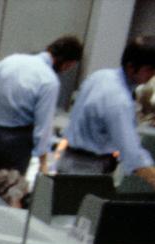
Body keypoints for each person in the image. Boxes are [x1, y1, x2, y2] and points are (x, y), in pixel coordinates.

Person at [0, 35, 83, 175]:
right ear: (67, 63)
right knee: (12, 189)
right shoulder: (49, 80)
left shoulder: (13, 60)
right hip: (19, 141)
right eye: (70, 66)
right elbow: (43, 127)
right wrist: (43, 163)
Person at [60, 41, 155, 189]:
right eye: (149, 69)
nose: (152, 75)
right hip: (88, 168)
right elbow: (132, 154)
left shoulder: (101, 76)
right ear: (131, 67)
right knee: (81, 210)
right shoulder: (118, 100)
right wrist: (152, 177)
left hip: (69, 158)